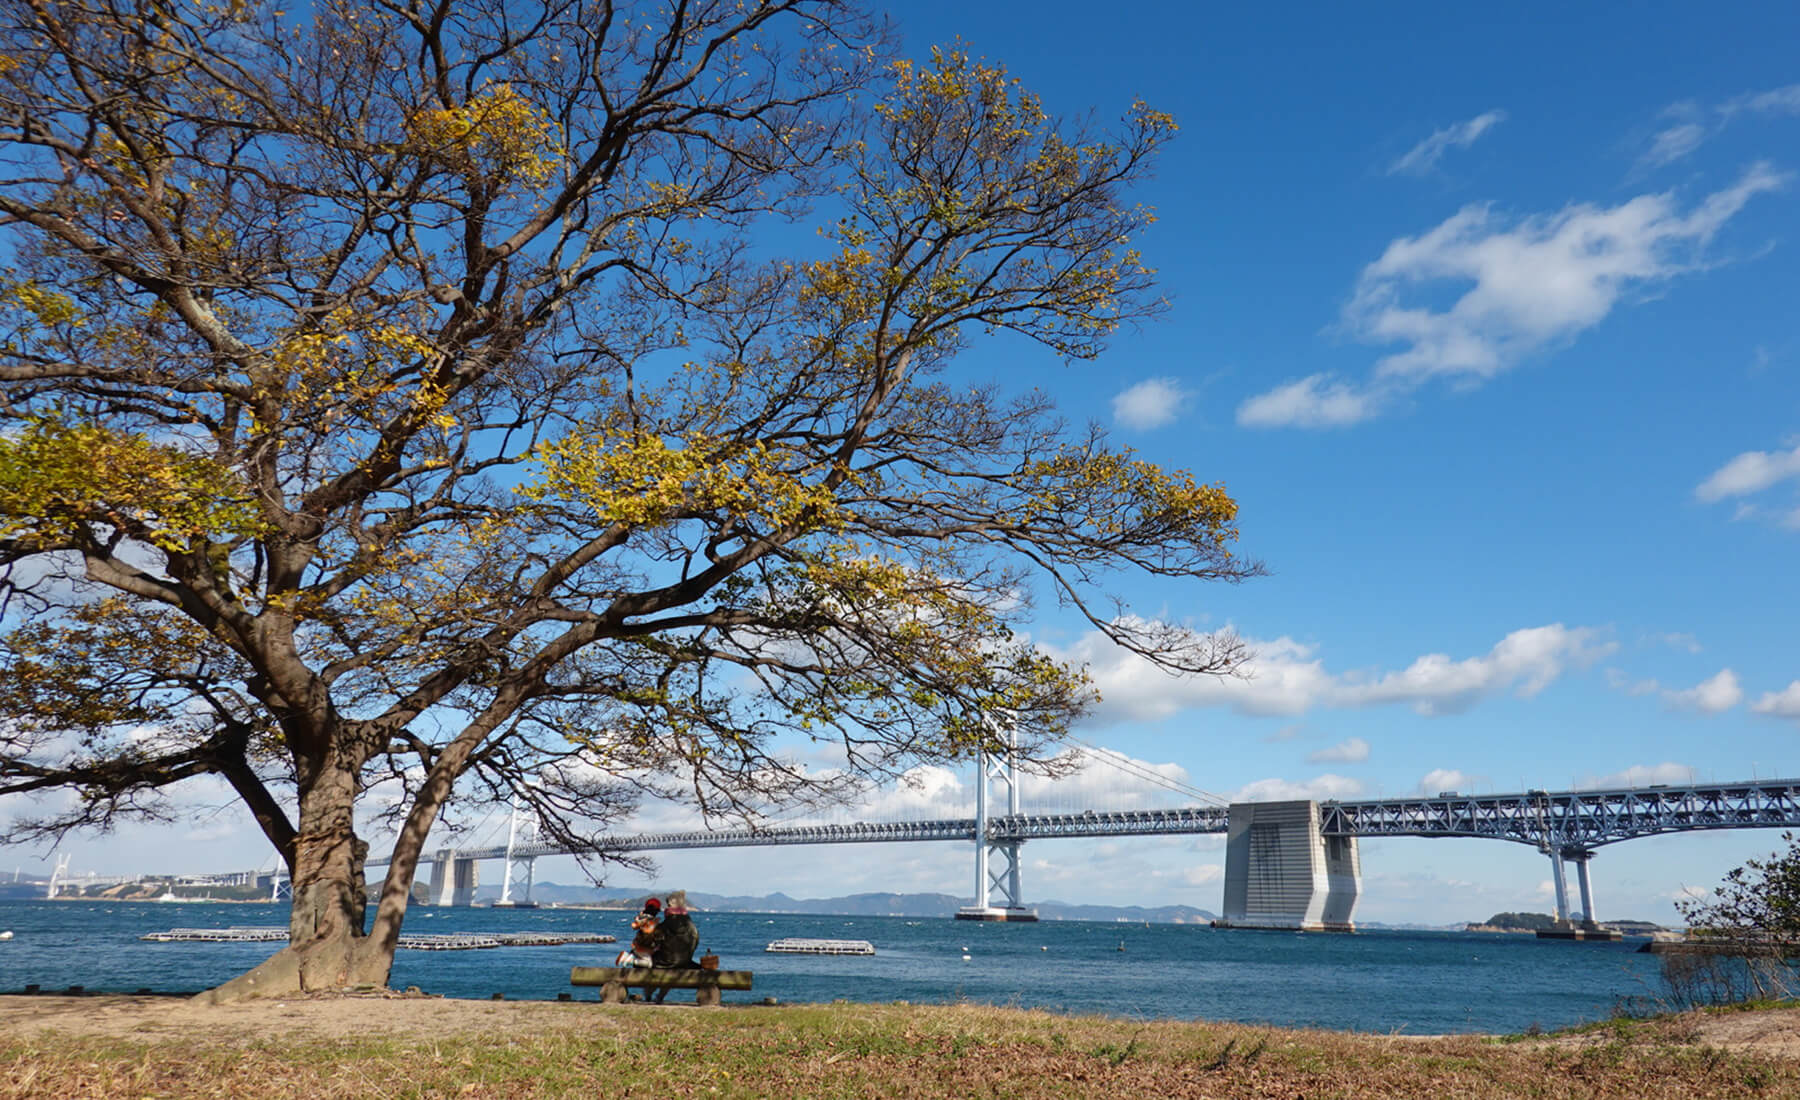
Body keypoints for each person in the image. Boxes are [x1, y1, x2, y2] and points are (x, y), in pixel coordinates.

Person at [649, 889, 700, 1003]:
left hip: (665, 961)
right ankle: (659, 997)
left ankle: (649, 995)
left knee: (649, 962)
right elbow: (696, 942)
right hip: (684, 961)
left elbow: (654, 939)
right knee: (674, 966)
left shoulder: (666, 924)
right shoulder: (691, 924)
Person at [614, 897, 662, 969]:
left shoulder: (641, 918)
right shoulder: (652, 921)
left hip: (638, 945)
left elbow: (634, 926)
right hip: (644, 947)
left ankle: (630, 957)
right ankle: (630, 959)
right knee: (649, 963)